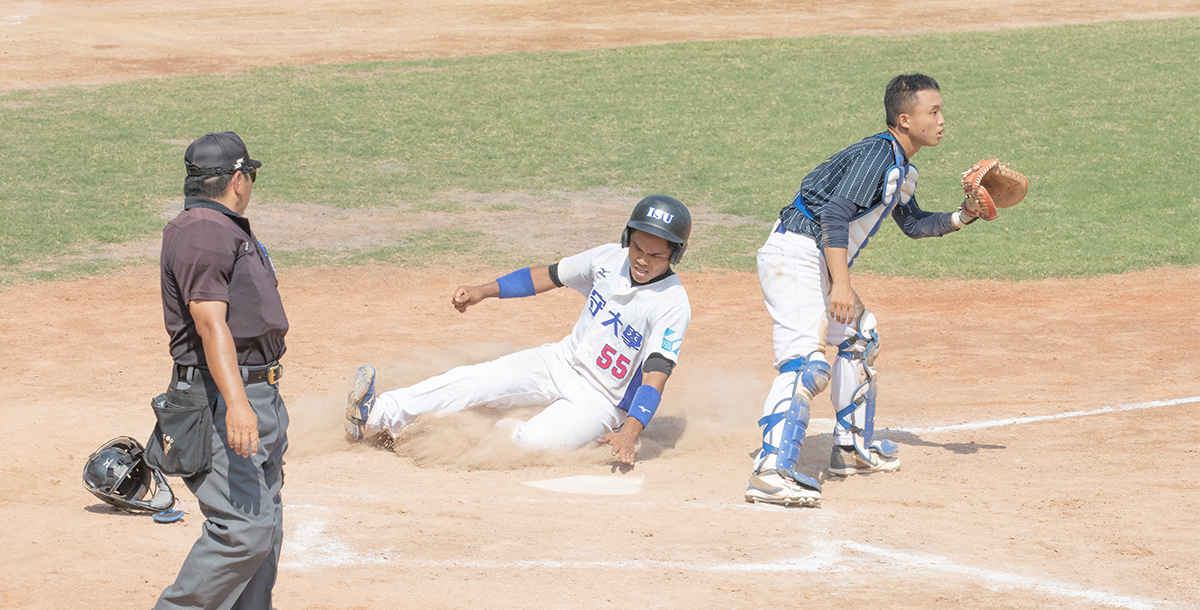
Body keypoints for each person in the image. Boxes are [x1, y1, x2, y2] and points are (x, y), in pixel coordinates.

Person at [745, 74, 982, 507]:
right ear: (905, 119)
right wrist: (842, 285)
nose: (943, 119)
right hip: (795, 255)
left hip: (814, 261)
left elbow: (911, 224)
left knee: (860, 338)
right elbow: (834, 215)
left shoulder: (901, 167)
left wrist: (963, 216)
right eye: (934, 112)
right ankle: (769, 472)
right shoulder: (877, 156)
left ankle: (850, 450)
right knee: (806, 364)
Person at [345, 195, 692, 466]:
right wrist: (485, 290)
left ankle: (494, 426)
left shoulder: (672, 304)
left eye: (655, 255)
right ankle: (376, 416)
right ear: (627, 238)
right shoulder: (606, 258)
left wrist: (631, 431)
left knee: (528, 446)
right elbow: (546, 275)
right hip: (562, 360)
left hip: (602, 400)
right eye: (637, 247)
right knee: (477, 379)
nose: (642, 259)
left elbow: (655, 376)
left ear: (675, 255)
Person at [155, 132, 290, 608]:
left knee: (263, 525)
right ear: (237, 179)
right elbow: (210, 325)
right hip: (221, 400)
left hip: (258, 392)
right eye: (249, 175)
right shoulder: (205, 233)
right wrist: (236, 404)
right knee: (242, 532)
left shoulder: (218, 227)